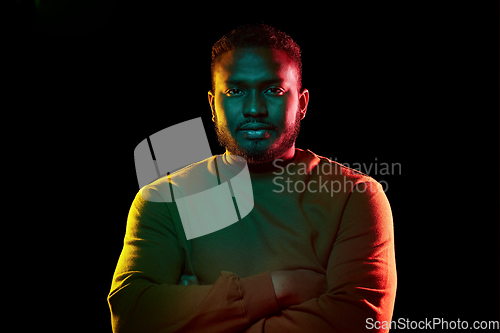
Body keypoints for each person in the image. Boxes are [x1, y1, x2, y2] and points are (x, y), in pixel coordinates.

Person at [108, 23, 397, 332]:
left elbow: (359, 322)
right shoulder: (163, 200)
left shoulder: (355, 197)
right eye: (235, 91)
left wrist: (200, 314)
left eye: (274, 90)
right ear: (212, 106)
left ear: (302, 103)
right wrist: (281, 286)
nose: (254, 108)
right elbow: (131, 318)